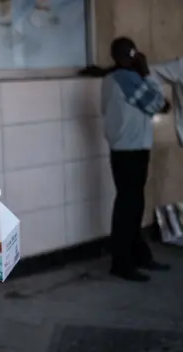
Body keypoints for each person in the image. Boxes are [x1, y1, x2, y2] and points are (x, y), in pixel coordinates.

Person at [99, 37, 171, 282]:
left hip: (124, 149)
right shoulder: (128, 79)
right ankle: (122, 262)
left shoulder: (110, 79)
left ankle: (138, 254)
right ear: (132, 56)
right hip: (131, 150)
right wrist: (147, 72)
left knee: (132, 204)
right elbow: (159, 104)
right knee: (128, 206)